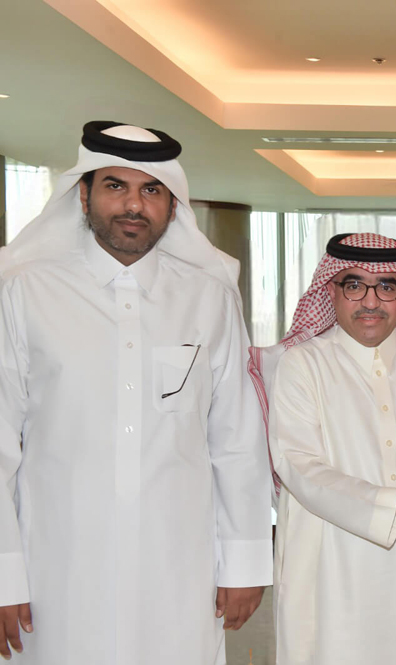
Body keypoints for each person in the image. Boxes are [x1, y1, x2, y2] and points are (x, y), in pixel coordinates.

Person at [0, 121, 273, 663]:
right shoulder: (27, 290)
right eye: (115, 186)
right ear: (83, 194)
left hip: (178, 568)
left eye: (151, 190)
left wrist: (244, 563)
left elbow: (237, 440)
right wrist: (4, 574)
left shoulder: (209, 298)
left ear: (173, 205)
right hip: (57, 568)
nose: (133, 204)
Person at [256, 232, 396, 664]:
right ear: (331, 290)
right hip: (328, 565)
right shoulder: (302, 363)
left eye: (386, 286)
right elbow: (299, 466)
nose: (371, 301)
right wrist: (394, 501)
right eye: (354, 285)